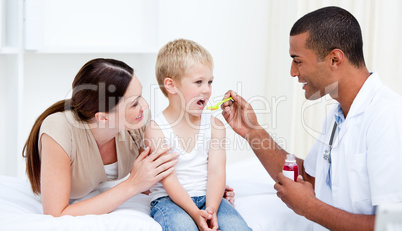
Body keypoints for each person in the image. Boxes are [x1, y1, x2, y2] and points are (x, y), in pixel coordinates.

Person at [221, 6, 402, 231]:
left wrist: (309, 207)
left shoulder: (388, 118)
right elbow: (309, 178)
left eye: (297, 60)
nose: (292, 72)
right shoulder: (338, 117)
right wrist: (252, 131)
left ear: (334, 59)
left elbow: (392, 225)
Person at [22, 58, 234, 217]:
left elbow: (155, 175)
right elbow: (55, 214)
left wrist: (200, 188)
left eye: (141, 96)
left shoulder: (137, 124)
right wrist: (132, 185)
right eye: (134, 103)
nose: (145, 106)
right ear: (103, 118)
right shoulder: (59, 130)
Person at [145, 39, 250, 231]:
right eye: (198, 82)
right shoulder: (156, 129)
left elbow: (217, 171)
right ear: (171, 85)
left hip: (209, 199)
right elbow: (169, 179)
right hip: (169, 200)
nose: (207, 89)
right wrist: (195, 213)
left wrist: (211, 210)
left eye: (209, 82)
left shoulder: (215, 126)